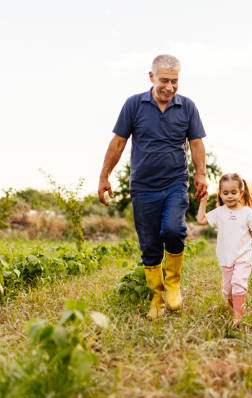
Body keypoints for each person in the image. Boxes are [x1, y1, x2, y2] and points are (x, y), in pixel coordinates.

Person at [98, 54, 208, 319]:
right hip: (143, 186)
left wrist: (201, 174)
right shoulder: (134, 105)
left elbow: (196, 143)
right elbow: (118, 142)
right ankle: (156, 297)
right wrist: (104, 176)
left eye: (175, 81)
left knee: (173, 229)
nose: (170, 87)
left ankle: (172, 284)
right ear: (151, 77)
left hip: (174, 183)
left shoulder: (187, 107)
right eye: (164, 81)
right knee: (149, 244)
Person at [196, 173, 252, 324]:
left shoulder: (247, 213)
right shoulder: (219, 212)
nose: (229, 196)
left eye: (233, 192)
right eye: (225, 193)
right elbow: (201, 220)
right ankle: (236, 309)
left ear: (241, 193)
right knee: (228, 291)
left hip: (243, 256)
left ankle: (238, 318)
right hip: (226, 257)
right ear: (220, 194)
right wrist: (203, 201)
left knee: (238, 283)